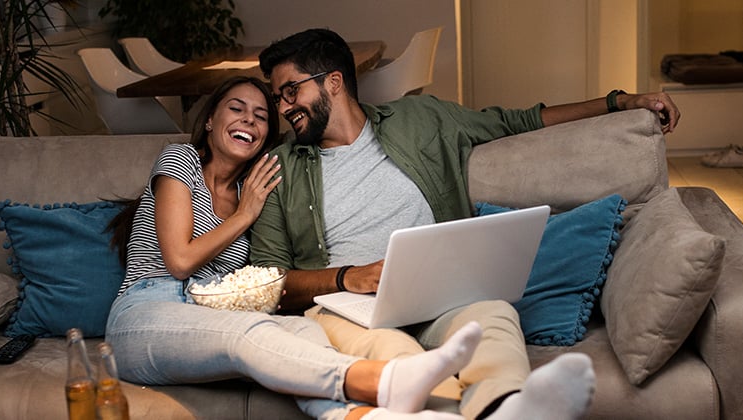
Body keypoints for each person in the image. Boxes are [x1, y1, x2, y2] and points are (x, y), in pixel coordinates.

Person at [251, 28, 682, 420]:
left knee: (493, 316)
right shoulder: (279, 168)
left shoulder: (420, 118)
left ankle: (507, 407)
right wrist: (348, 277)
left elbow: (517, 121)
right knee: (394, 352)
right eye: (277, 98)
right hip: (349, 310)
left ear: (333, 81)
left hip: (440, 297)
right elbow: (266, 282)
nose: (283, 108)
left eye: (290, 91)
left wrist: (618, 102)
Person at [104, 75, 488, 420]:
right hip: (146, 311)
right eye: (236, 109)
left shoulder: (256, 188)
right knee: (247, 332)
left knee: (305, 333)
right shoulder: (181, 159)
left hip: (213, 316)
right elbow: (180, 260)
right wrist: (244, 215)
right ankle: (386, 379)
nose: (249, 120)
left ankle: (367, 417)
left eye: (260, 117)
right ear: (209, 121)